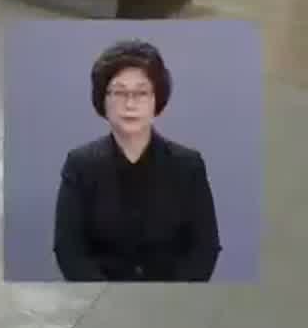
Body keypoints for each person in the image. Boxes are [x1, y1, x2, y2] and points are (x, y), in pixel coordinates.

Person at [53, 39, 220, 282]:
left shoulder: (188, 165)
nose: (130, 104)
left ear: (156, 101)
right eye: (119, 92)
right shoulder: (80, 165)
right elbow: (69, 251)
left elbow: (205, 249)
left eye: (141, 93)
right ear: (103, 100)